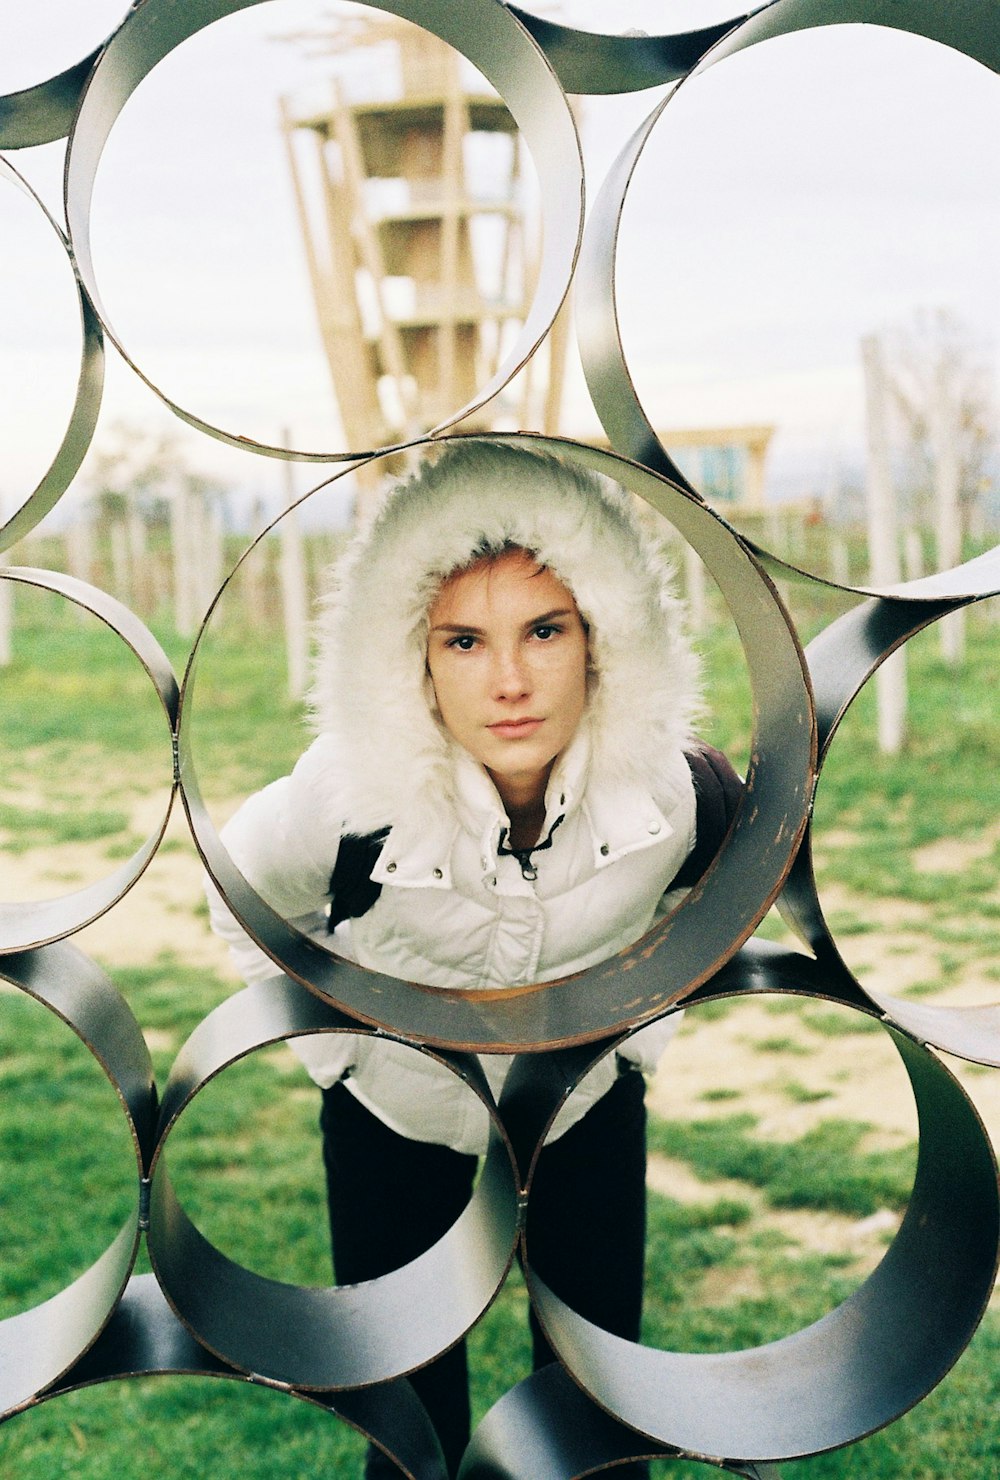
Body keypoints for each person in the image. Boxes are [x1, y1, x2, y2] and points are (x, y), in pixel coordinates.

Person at [206, 440, 740, 1478]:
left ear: (601, 638)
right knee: (407, 1419)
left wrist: (637, 1050)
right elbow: (243, 896)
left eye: (544, 630)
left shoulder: (669, 796)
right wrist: (342, 1066)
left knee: (596, 1402)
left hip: (581, 1112)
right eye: (462, 640)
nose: (507, 680)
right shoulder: (346, 793)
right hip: (394, 1121)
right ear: (412, 655)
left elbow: (708, 909)